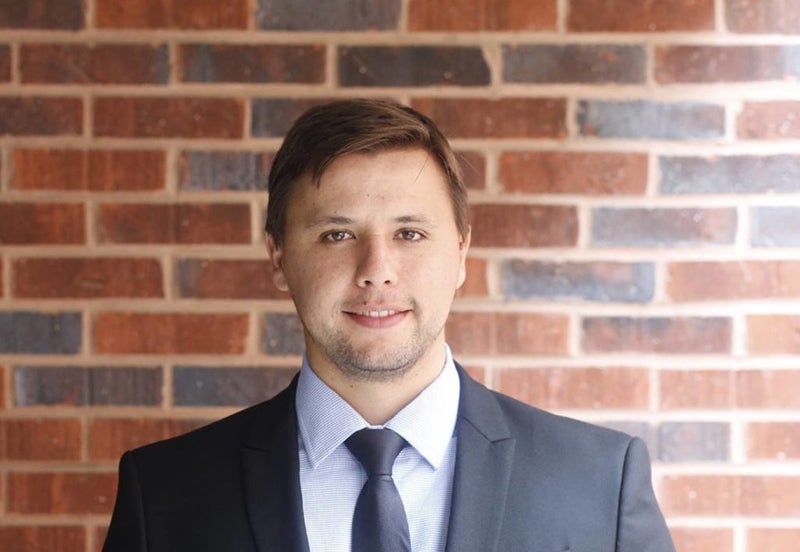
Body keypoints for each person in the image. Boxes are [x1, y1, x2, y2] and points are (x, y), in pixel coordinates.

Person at [102, 98, 676, 552]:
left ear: (461, 254)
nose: (376, 272)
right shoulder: (166, 493)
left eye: (409, 234)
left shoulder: (600, 481)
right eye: (337, 234)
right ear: (278, 258)